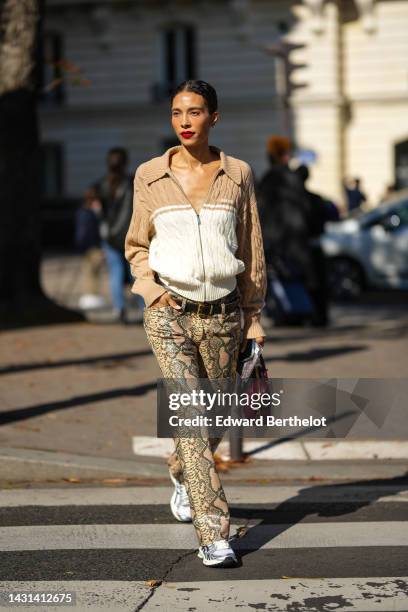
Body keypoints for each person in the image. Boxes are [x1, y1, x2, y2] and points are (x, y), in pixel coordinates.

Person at [124, 79, 267, 567]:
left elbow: (250, 248)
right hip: (169, 315)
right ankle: (214, 532)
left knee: (215, 417)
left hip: (225, 313)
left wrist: (253, 317)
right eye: (177, 112)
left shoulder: (238, 174)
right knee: (189, 414)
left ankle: (182, 469)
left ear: (214, 118)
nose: (185, 121)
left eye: (196, 112)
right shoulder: (149, 175)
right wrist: (153, 292)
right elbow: (136, 245)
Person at [257, 136, 315, 325]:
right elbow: (306, 208)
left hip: (275, 240)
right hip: (296, 238)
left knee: (279, 280)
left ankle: (285, 314)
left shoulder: (268, 180)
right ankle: (299, 313)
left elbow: (261, 211)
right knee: (297, 279)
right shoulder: (293, 178)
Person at [92, 147, 144, 323]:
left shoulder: (100, 185)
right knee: (135, 274)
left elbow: (96, 211)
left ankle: (119, 309)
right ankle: (145, 309)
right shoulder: (132, 183)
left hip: (110, 237)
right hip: (131, 234)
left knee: (115, 273)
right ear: (125, 163)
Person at [74, 187, 105, 310]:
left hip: (86, 246)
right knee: (93, 274)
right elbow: (98, 230)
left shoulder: (81, 212)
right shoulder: (92, 213)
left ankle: (89, 296)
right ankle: (92, 297)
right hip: (94, 246)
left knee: (88, 273)